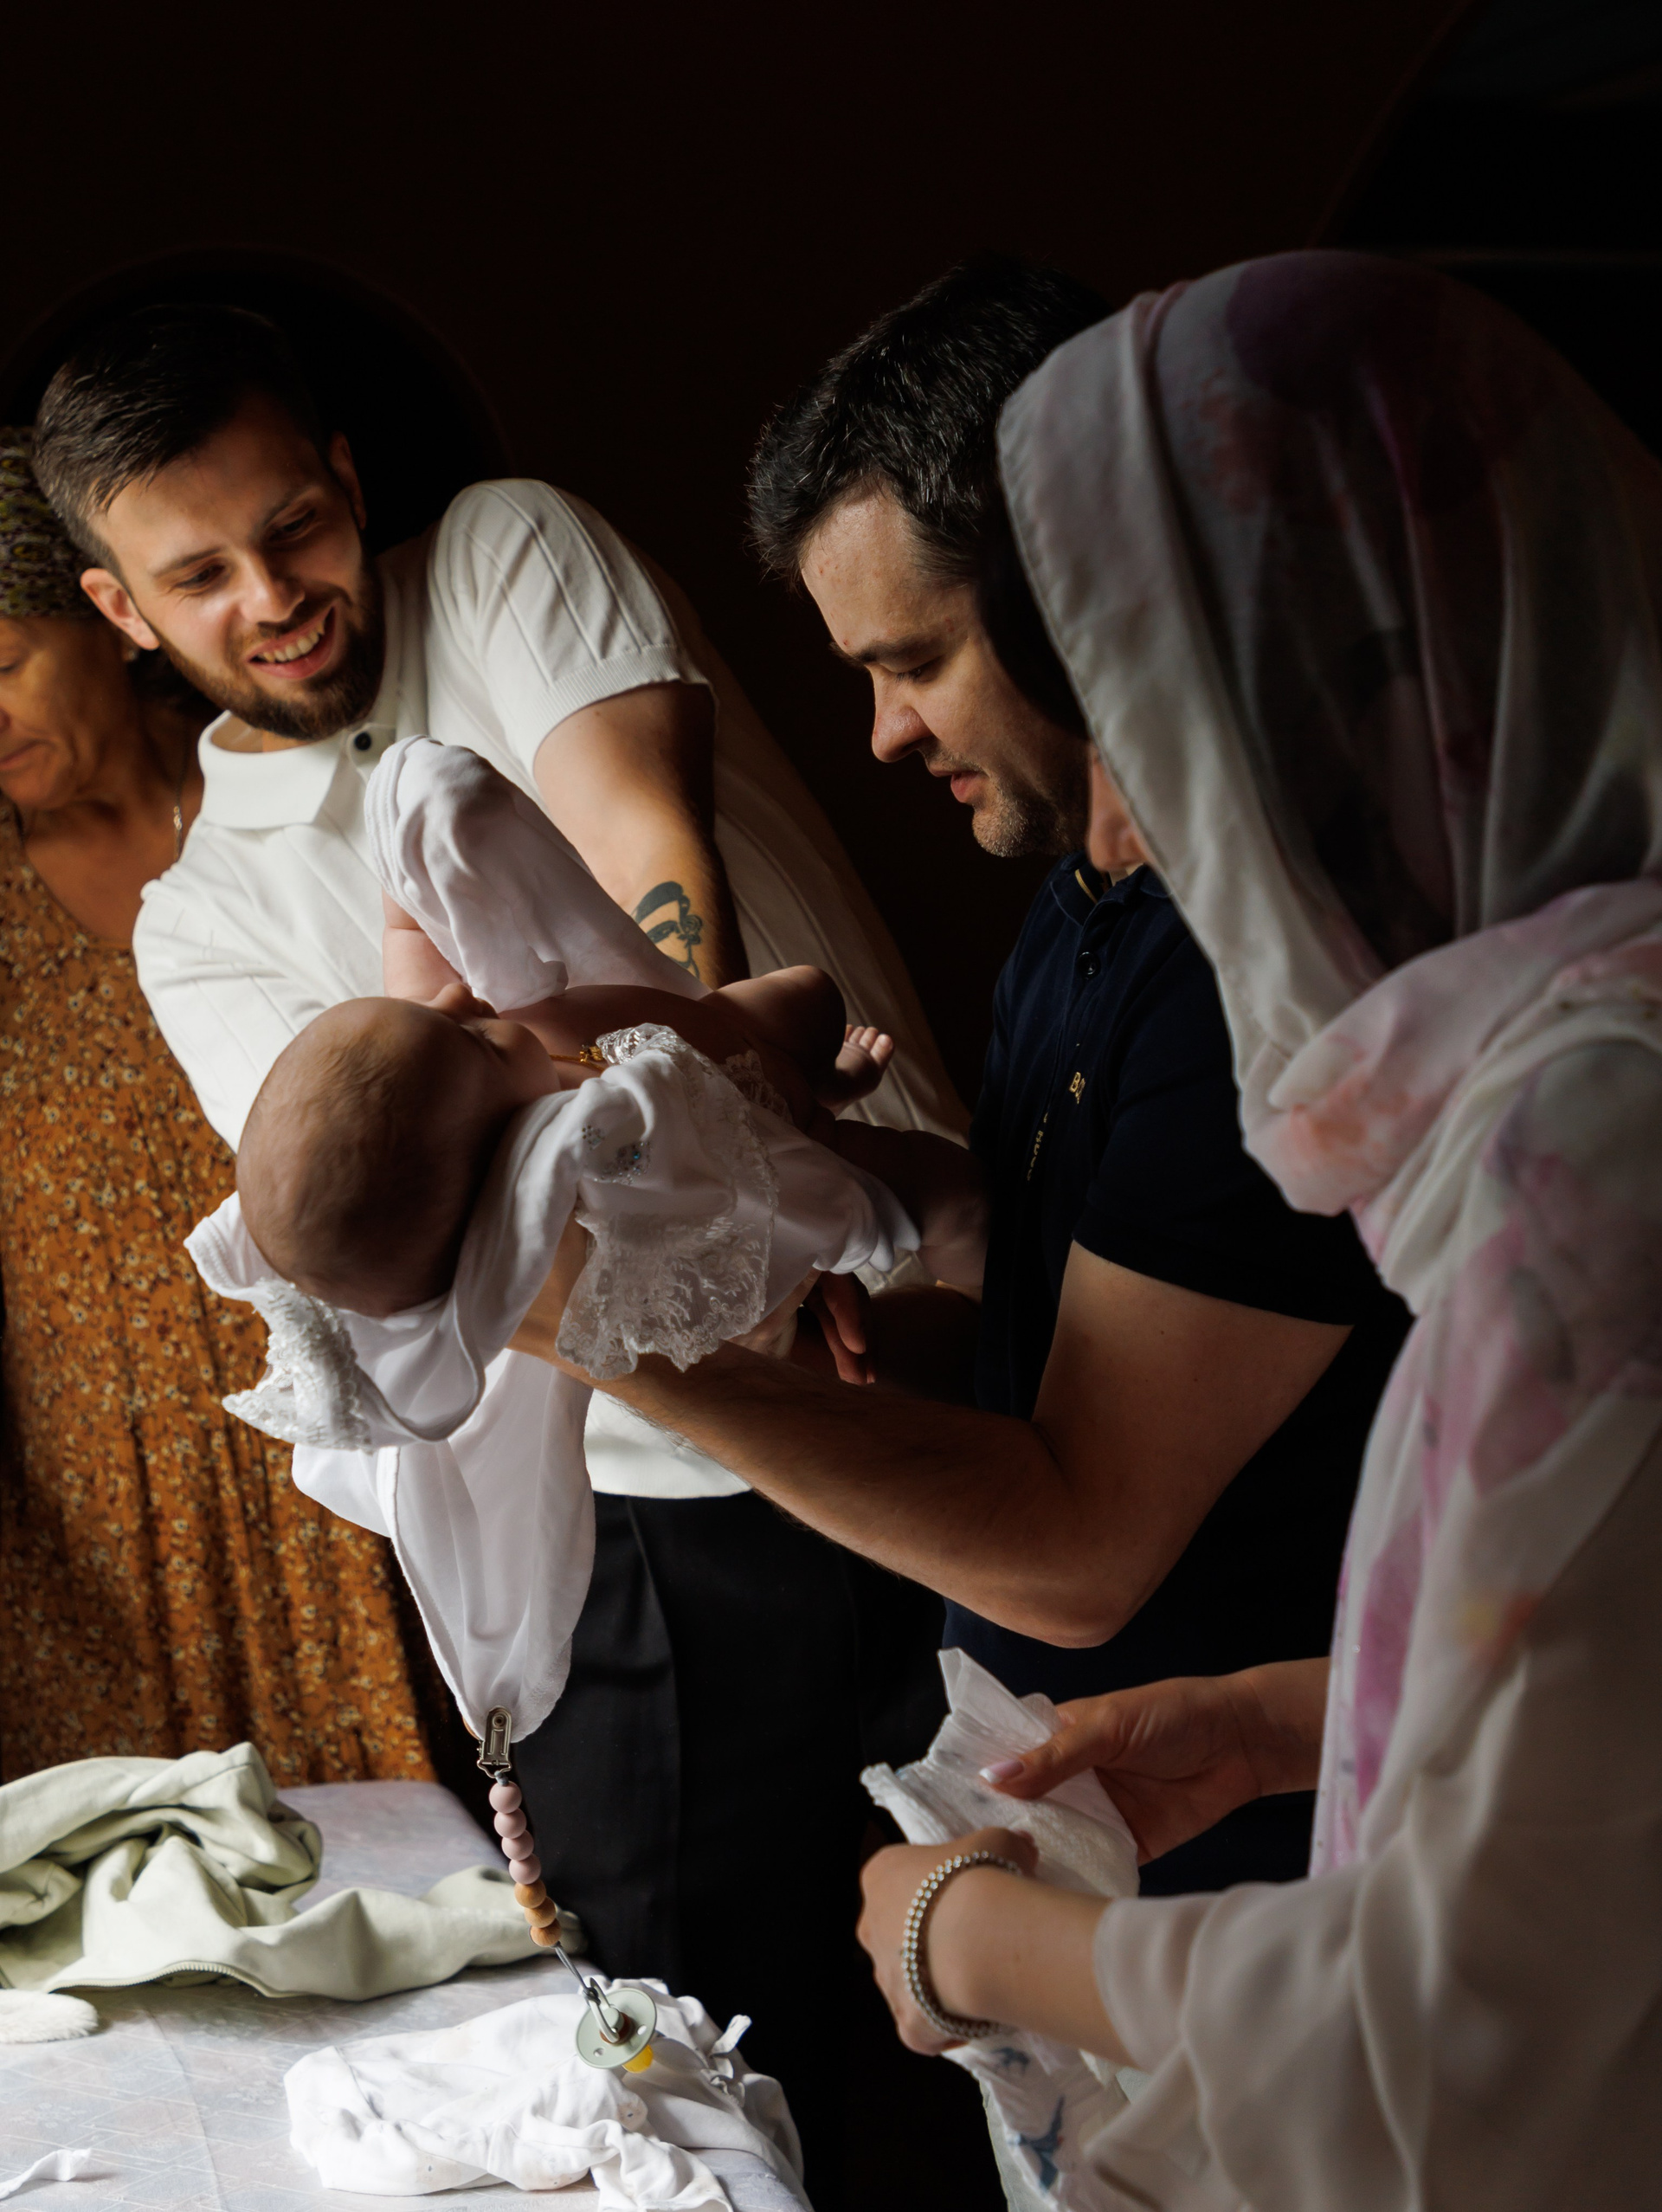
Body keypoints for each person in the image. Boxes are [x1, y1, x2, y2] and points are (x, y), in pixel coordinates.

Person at [30, 308, 958, 2205]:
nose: (273, 599)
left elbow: (641, 847)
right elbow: (391, 1234)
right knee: (706, 2072)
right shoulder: (200, 920)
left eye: (292, 528)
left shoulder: (504, 551)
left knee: (1017, 1960)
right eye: (198, 577)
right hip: (650, 1511)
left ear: (345, 476)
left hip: (940, 1336)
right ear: (119, 608)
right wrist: (709, 1223)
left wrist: (738, 1165)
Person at [853, 248, 1662, 2209]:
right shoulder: (1574, 1081)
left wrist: (974, 1940)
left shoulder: (1589, 1168)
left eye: (1143, 732)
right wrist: (1294, 1724)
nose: (1114, 831)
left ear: (1351, 699)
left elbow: (1453, 2032)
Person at [515, 258, 1410, 1896]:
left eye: (913, 660)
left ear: (1080, 599)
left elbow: (1083, 1549)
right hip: (1091, 1848)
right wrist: (855, 1263)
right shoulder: (1081, 900)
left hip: (1275, 1887)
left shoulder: (1260, 967)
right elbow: (1051, 1312)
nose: (883, 733)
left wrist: (612, 1341)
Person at [0, 429, 439, 1784]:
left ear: (106, 610)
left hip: (377, 1421)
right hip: (109, 1512)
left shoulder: (285, 790)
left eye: (2, 665)